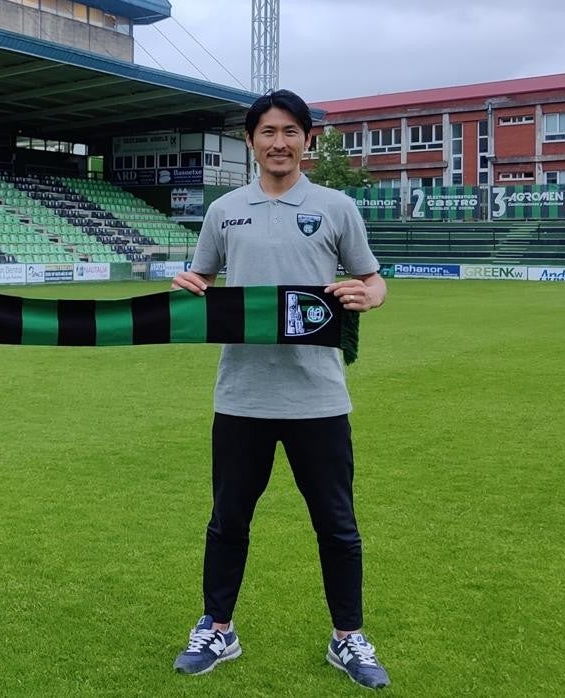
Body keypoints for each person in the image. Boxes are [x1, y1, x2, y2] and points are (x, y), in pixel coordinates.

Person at [170, 89, 390, 689]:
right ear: (250, 140)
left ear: (307, 140)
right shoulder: (224, 210)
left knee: (337, 524)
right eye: (267, 131)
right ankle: (218, 627)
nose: (279, 142)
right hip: (241, 395)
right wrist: (189, 283)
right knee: (228, 521)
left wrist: (367, 294)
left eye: (291, 131)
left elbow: (372, 280)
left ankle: (349, 637)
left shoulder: (337, 206)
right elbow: (204, 278)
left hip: (318, 396)